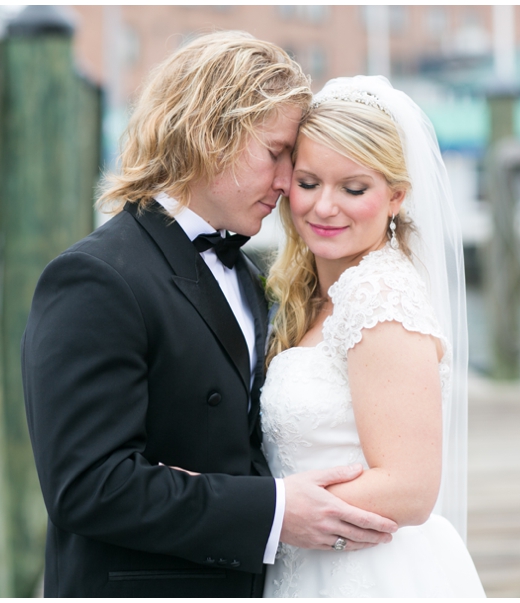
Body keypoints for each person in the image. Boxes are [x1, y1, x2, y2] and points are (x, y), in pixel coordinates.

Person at [21, 33, 397, 598]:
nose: (286, 182)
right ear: (210, 133)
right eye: (276, 153)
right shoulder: (95, 278)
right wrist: (271, 512)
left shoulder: (247, 277)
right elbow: (87, 486)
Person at [260, 75, 486, 597]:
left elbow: (410, 488)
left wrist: (271, 515)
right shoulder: (317, 290)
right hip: (305, 566)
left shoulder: (379, 297)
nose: (323, 207)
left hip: (367, 574)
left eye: (353, 188)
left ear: (396, 197)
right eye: (309, 182)